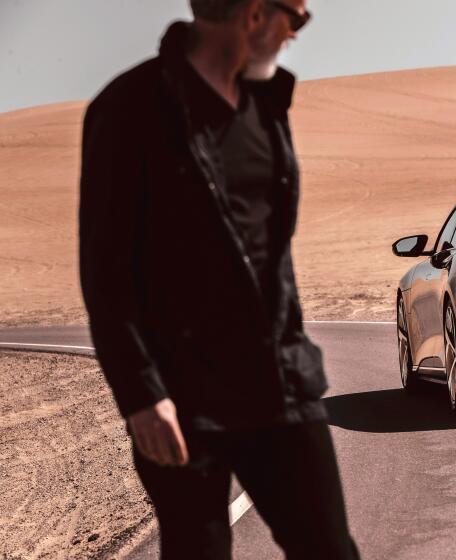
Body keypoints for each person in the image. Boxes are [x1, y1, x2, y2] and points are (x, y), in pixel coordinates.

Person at [78, 1, 360, 558]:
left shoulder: (264, 102)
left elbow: (270, 250)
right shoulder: (128, 108)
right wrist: (140, 394)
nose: (296, 36)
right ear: (254, 14)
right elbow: (105, 268)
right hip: (185, 400)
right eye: (296, 19)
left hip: (278, 384)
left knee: (329, 549)